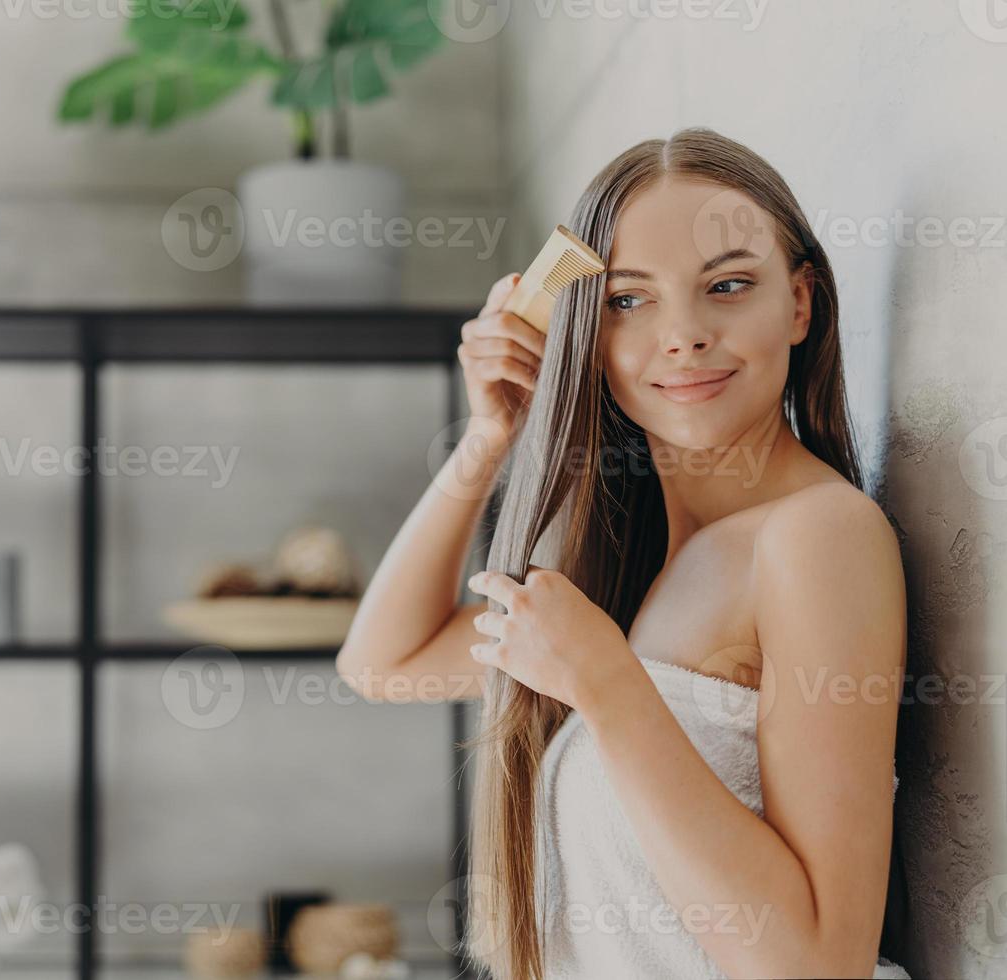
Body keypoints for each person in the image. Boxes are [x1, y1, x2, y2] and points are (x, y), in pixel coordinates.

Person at [335, 127, 910, 980]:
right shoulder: (625, 566)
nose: (682, 334)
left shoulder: (815, 538)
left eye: (727, 286)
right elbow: (385, 664)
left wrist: (608, 686)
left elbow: (818, 963)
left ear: (799, 302)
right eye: (629, 301)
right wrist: (491, 436)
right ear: (585, 336)